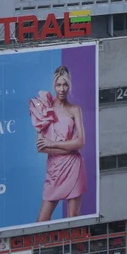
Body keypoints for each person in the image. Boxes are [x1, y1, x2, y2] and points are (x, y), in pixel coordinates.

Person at [30, 66, 87, 223]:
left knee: (72, 221)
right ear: (53, 85)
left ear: (69, 85)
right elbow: (41, 147)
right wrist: (69, 146)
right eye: (58, 85)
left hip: (74, 168)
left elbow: (81, 142)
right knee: (42, 221)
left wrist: (53, 143)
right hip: (54, 169)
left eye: (65, 85)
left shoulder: (75, 109)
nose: (62, 89)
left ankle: (72, 248)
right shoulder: (45, 110)